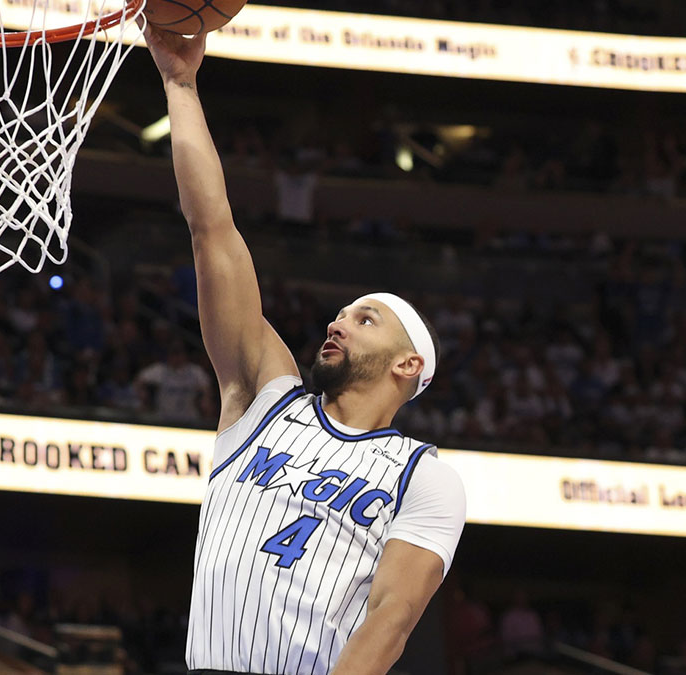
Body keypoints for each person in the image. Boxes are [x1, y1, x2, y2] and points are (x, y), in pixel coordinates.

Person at [140, 24, 466, 675]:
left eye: (365, 318)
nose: (339, 324)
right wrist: (180, 82)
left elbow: (392, 616)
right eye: (341, 314)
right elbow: (213, 231)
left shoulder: (422, 474)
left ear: (409, 365)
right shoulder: (264, 396)